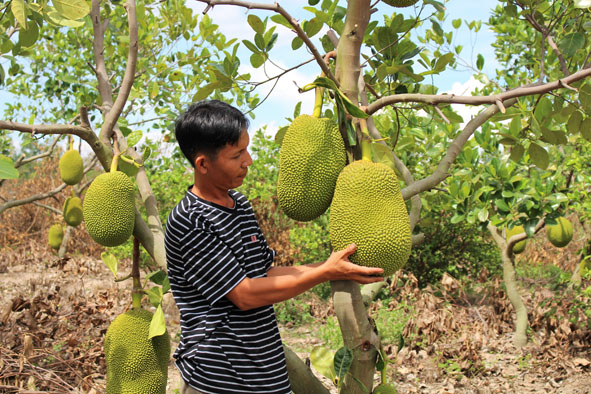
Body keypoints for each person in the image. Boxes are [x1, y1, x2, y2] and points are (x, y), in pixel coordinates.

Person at [165, 99, 384, 394]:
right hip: (219, 379)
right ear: (203, 163)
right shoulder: (190, 220)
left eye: (247, 149)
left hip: (265, 373)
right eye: (237, 155)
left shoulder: (238, 204)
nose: (249, 160)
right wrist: (323, 274)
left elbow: (263, 274)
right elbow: (244, 294)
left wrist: (331, 267)